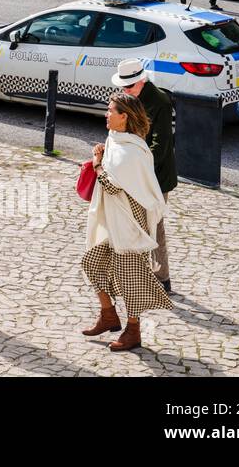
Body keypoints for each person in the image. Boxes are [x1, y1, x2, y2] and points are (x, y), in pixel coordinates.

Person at [80, 93, 172, 351]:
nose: (106, 114)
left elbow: (111, 185)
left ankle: (133, 332)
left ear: (125, 117)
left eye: (111, 111)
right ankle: (108, 315)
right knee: (91, 262)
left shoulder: (132, 152)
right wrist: (102, 154)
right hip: (113, 221)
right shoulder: (116, 141)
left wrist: (97, 164)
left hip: (131, 225)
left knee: (130, 279)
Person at [112, 59, 176, 293]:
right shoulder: (132, 99)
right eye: (123, 87)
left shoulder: (159, 101)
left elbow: (161, 143)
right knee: (134, 223)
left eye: (128, 87)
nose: (125, 91)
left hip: (154, 175)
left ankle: (162, 277)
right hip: (136, 172)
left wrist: (140, 166)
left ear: (141, 80)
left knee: (154, 225)